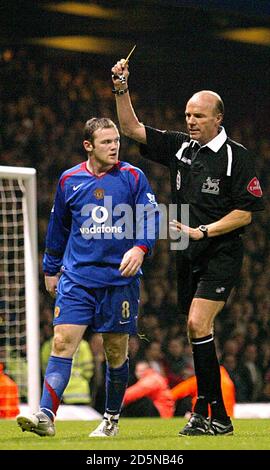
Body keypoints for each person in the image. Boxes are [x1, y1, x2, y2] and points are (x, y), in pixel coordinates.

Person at [111, 60, 264, 436]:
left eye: (198, 115)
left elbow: (245, 214)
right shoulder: (181, 147)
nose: (191, 121)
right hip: (185, 247)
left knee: (198, 323)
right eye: (187, 115)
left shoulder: (237, 156)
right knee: (196, 330)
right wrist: (120, 87)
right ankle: (202, 412)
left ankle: (220, 418)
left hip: (220, 249)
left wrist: (203, 231)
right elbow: (131, 128)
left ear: (218, 118)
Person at [17, 117, 159, 437]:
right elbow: (58, 229)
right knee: (63, 342)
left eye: (116, 141)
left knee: (114, 352)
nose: (114, 147)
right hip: (78, 277)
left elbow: (151, 217)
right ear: (88, 146)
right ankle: (46, 415)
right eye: (107, 142)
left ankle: (110, 419)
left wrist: (139, 248)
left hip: (119, 280)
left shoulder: (132, 177)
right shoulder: (69, 180)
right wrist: (51, 269)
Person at [171, 365, 236, 419]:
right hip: (228, 417)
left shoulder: (201, 379)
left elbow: (173, 394)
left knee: (185, 401)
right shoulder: (229, 382)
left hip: (204, 417)